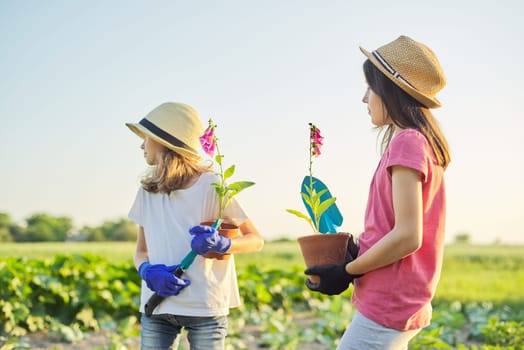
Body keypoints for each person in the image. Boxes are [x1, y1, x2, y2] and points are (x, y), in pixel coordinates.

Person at [305, 35, 450, 349]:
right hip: (398, 296)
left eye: (370, 88)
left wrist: (345, 271)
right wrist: (362, 250)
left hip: (390, 298)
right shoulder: (419, 143)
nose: (364, 98)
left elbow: (409, 235)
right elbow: (397, 226)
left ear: (389, 91)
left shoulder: (408, 142)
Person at [126, 102, 264, 350]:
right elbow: (140, 252)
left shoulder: (213, 186)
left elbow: (256, 239)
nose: (141, 145)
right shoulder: (147, 192)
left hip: (206, 307)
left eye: (146, 138)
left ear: (163, 143)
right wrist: (147, 271)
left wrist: (224, 244)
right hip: (158, 306)